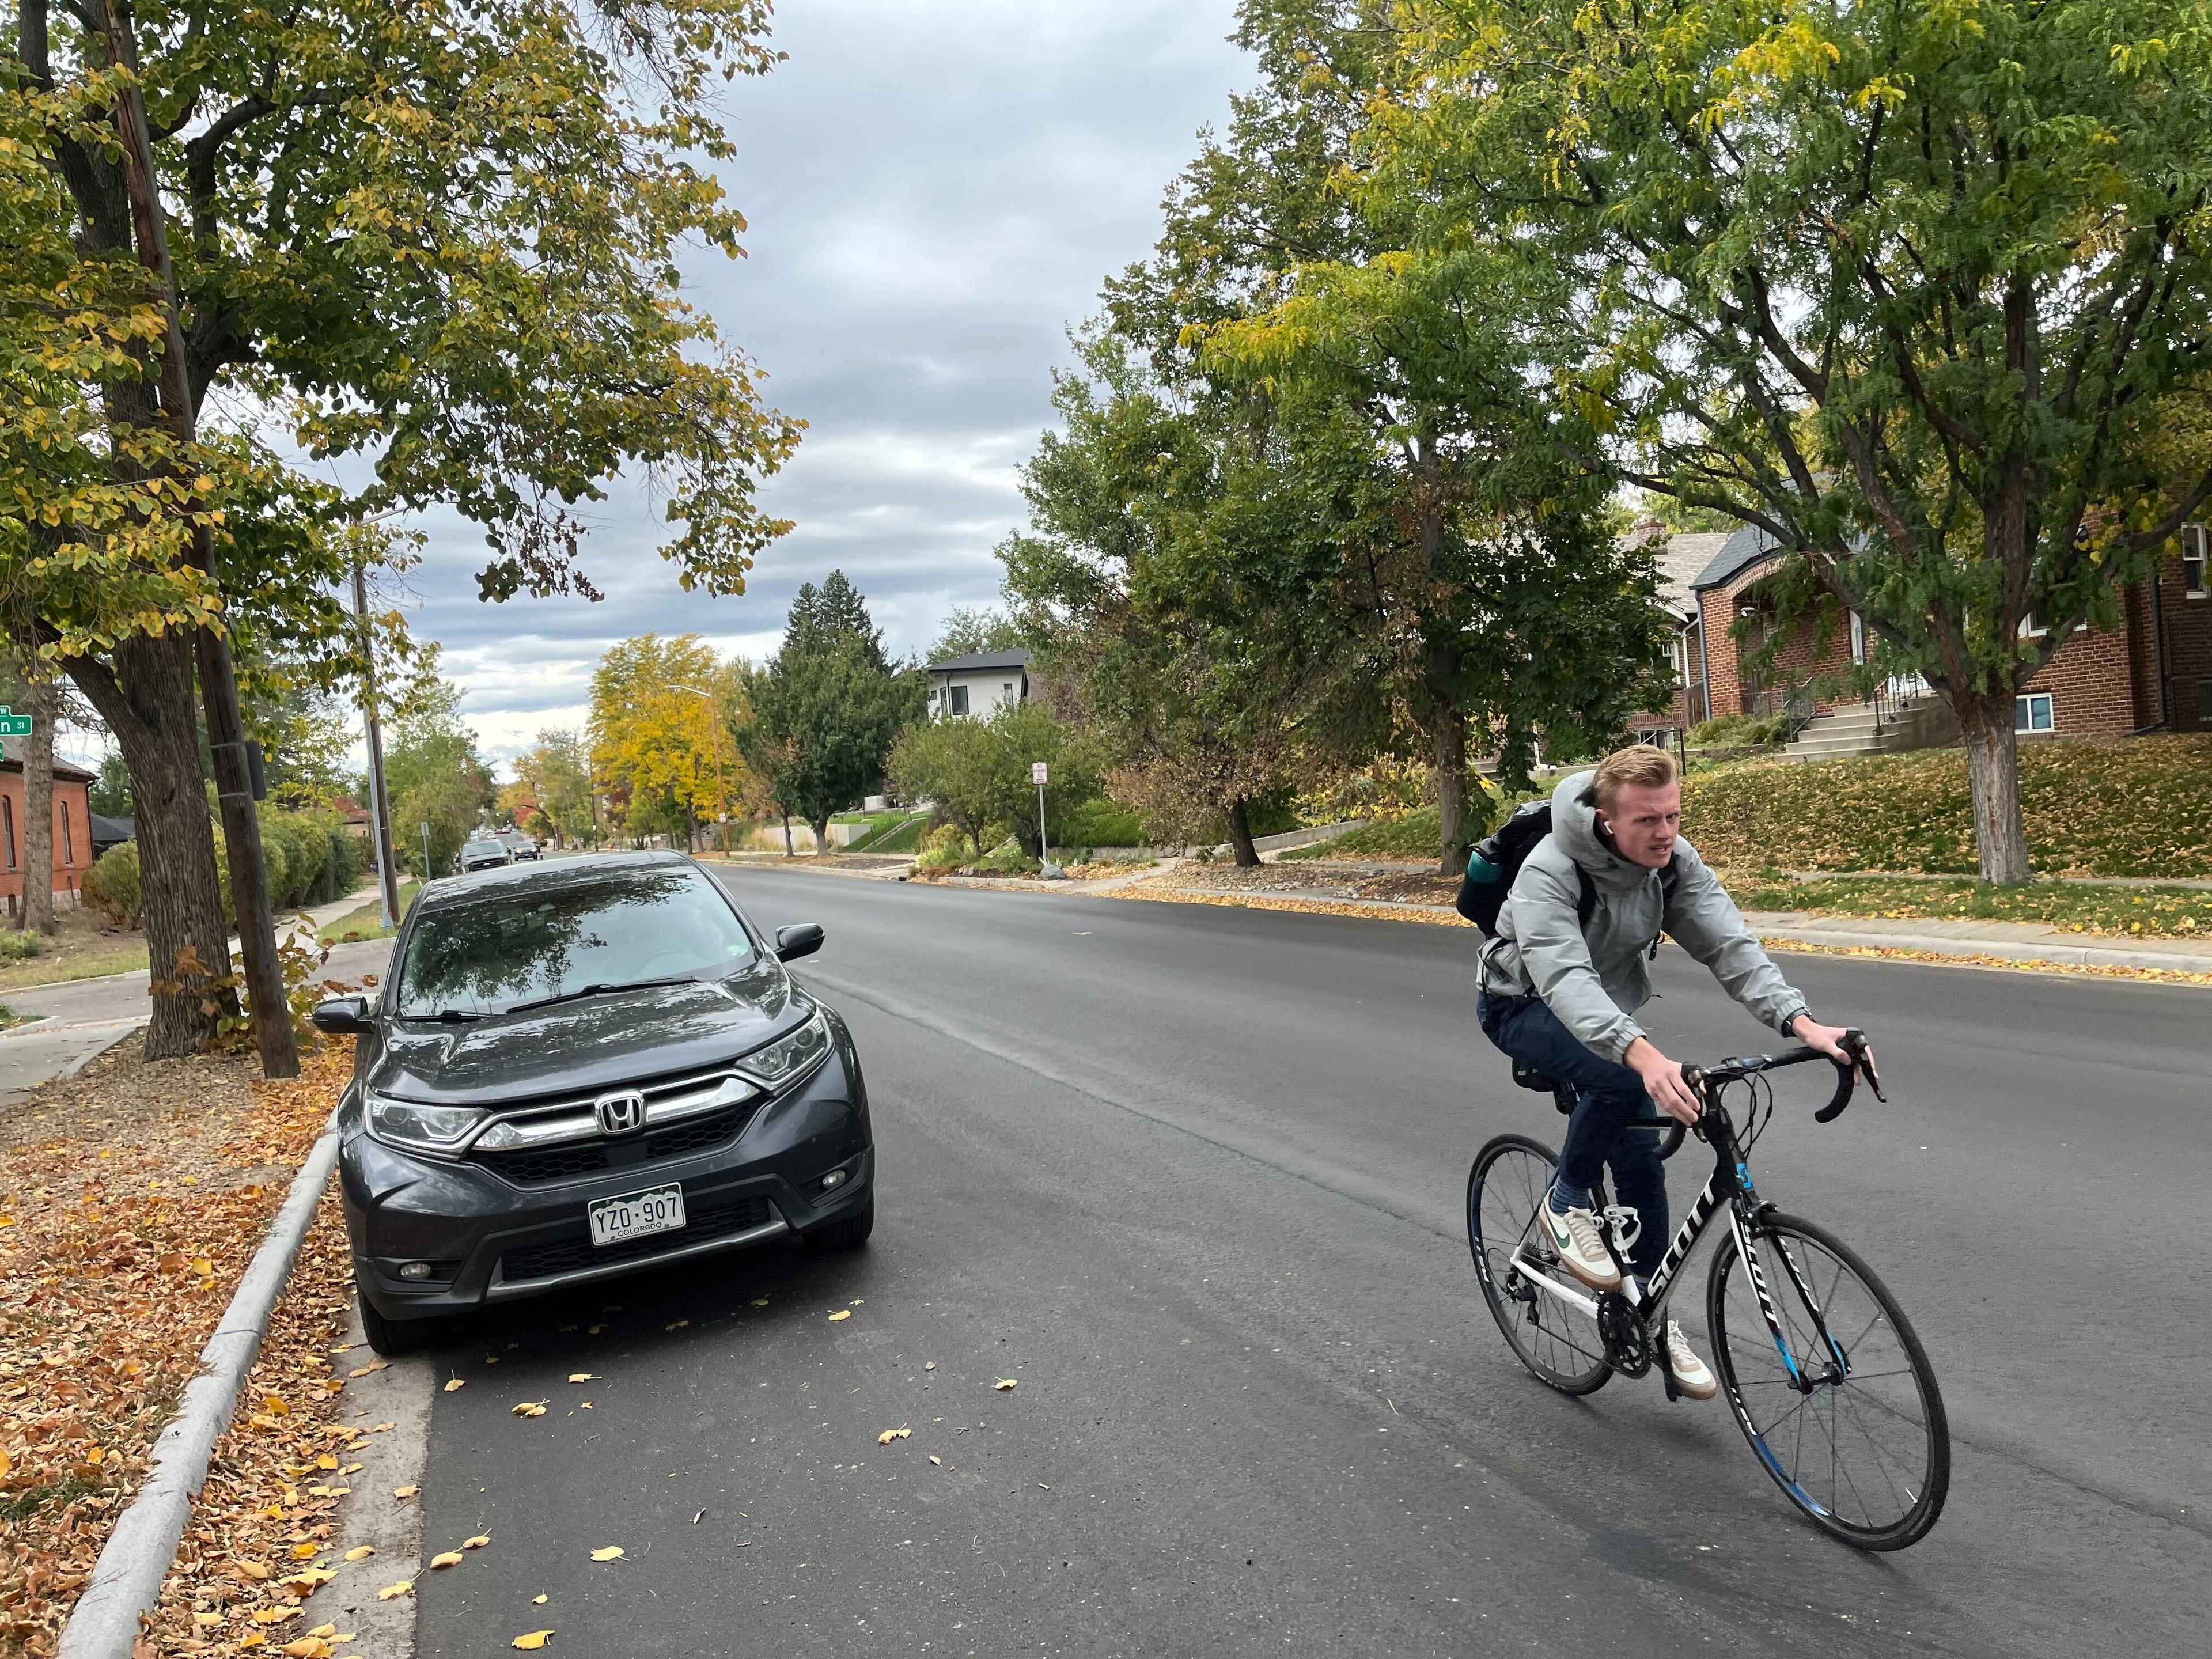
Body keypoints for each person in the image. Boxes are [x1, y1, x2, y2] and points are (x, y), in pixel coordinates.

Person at [1475, 745, 1863, 1400]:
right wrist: (1643, 1055)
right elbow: (1564, 978)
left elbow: (1731, 947)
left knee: (1641, 1169)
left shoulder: (1674, 866)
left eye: (1673, 817)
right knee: (1624, 1079)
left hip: (1611, 1020)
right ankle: (1563, 1208)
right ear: (1605, 819)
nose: (1664, 834)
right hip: (1523, 1004)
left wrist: (1804, 1023)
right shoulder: (1551, 869)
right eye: (1646, 821)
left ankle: (1647, 1318)